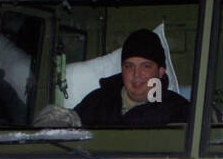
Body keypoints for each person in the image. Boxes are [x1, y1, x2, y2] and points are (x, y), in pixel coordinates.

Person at [34, 29, 190, 128]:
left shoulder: (177, 110)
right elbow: (68, 121)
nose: (136, 74)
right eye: (129, 66)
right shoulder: (100, 100)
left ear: (161, 71)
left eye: (146, 66)